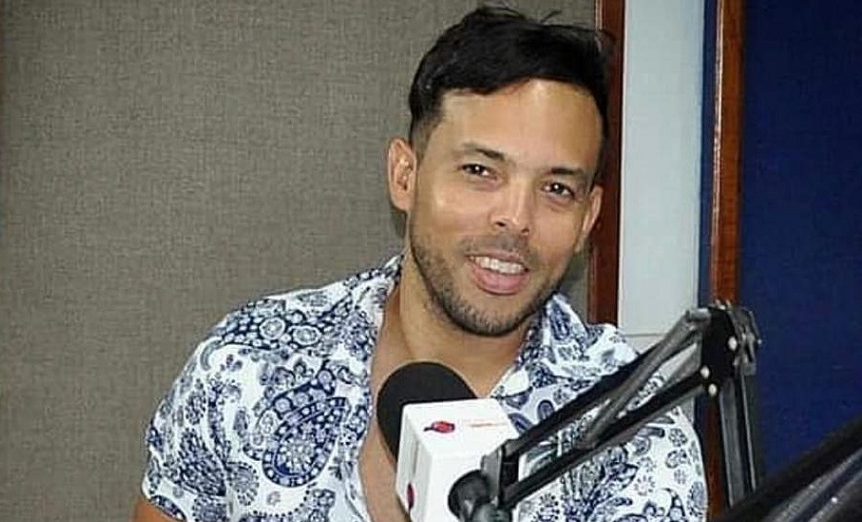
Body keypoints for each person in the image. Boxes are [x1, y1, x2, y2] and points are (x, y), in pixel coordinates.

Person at [132, 6, 706, 522]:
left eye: (556, 188)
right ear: (405, 176)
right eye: (480, 171)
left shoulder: (633, 429)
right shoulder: (249, 363)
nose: (516, 219)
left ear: (588, 218)